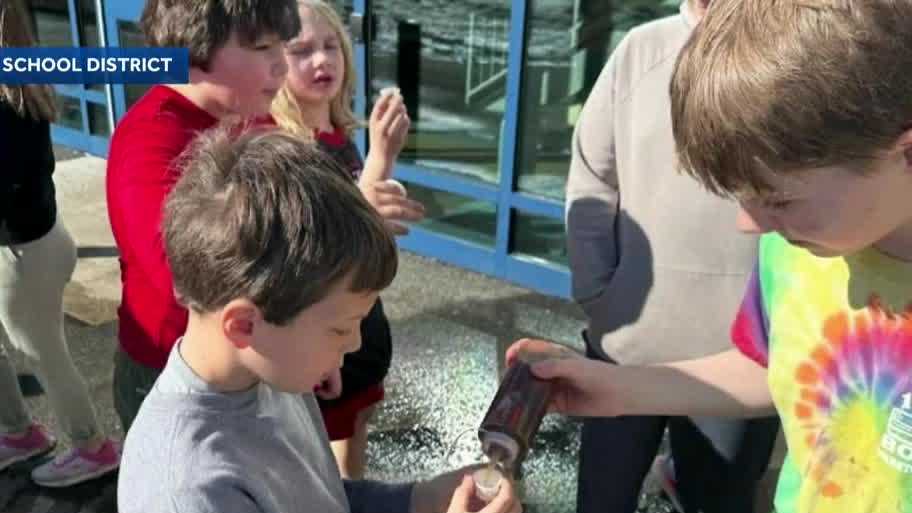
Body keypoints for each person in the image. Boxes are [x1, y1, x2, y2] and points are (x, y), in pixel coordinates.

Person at [510, 1, 912, 512]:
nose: (750, 225)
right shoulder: (792, 258)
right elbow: (774, 367)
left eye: (779, 199)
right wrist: (619, 388)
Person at [118, 126, 520, 513]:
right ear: (243, 325)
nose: (355, 343)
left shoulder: (270, 371)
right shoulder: (184, 490)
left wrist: (419, 499)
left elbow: (316, 498)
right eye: (340, 328)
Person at [565, 0, 778, 511]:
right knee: (602, 498)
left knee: (719, 499)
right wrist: (598, 289)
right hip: (628, 343)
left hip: (744, 357)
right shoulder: (641, 49)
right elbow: (593, 174)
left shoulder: (788, 54)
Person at [106, 0, 301, 433]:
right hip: (173, 373)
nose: (282, 66)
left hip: (252, 353)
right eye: (264, 47)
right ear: (194, 50)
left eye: (282, 46)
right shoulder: (149, 142)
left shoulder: (252, 118)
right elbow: (188, 274)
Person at [271, 0, 424, 478]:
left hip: (361, 331)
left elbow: (365, 236)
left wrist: (382, 173)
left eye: (330, 46)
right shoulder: (281, 148)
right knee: (309, 466)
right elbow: (320, 253)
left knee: (352, 442)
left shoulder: (340, 135)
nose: (322, 60)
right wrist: (381, 158)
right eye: (302, 51)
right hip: (316, 342)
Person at [0, 0, 120, 487]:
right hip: (38, 244)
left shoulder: (8, 103)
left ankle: (93, 447)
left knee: (42, 354)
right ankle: (17, 432)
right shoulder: (24, 86)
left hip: (24, 256)